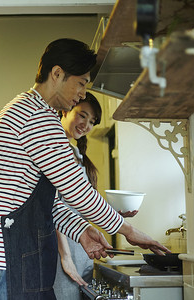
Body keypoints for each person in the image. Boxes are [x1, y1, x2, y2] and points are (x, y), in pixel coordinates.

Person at [0, 38, 169, 300]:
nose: (84, 93)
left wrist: (81, 230)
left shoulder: (29, 110)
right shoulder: (36, 117)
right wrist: (128, 230)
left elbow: (44, 204)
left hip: (13, 249)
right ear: (57, 73)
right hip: (11, 252)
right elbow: (77, 191)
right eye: (82, 83)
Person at [53, 92, 138, 299]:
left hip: (82, 253)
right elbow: (53, 209)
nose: (86, 125)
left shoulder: (76, 154)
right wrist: (65, 257)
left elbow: (79, 207)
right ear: (65, 109)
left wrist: (113, 215)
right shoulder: (52, 151)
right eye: (82, 115)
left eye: (92, 121)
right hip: (61, 253)